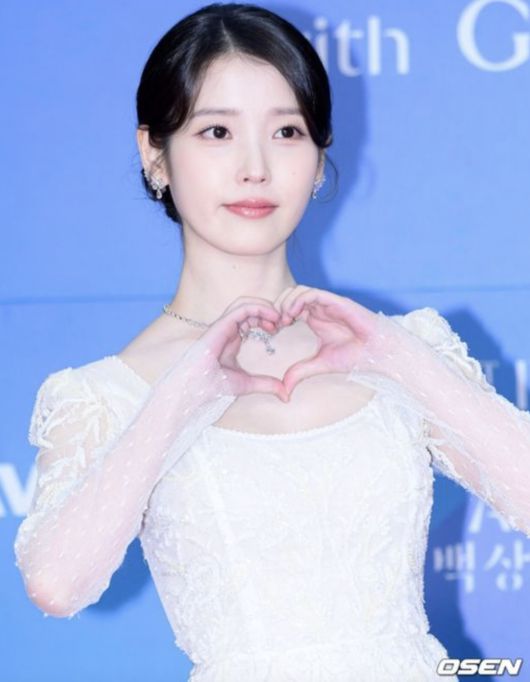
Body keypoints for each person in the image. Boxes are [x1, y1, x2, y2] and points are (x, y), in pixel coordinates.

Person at [13, 3, 530, 681]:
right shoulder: (103, 394)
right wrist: (185, 390)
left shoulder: (399, 348)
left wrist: (396, 358)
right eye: (217, 131)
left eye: (287, 131)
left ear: (318, 157)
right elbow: (56, 584)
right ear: (154, 152)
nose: (255, 167)